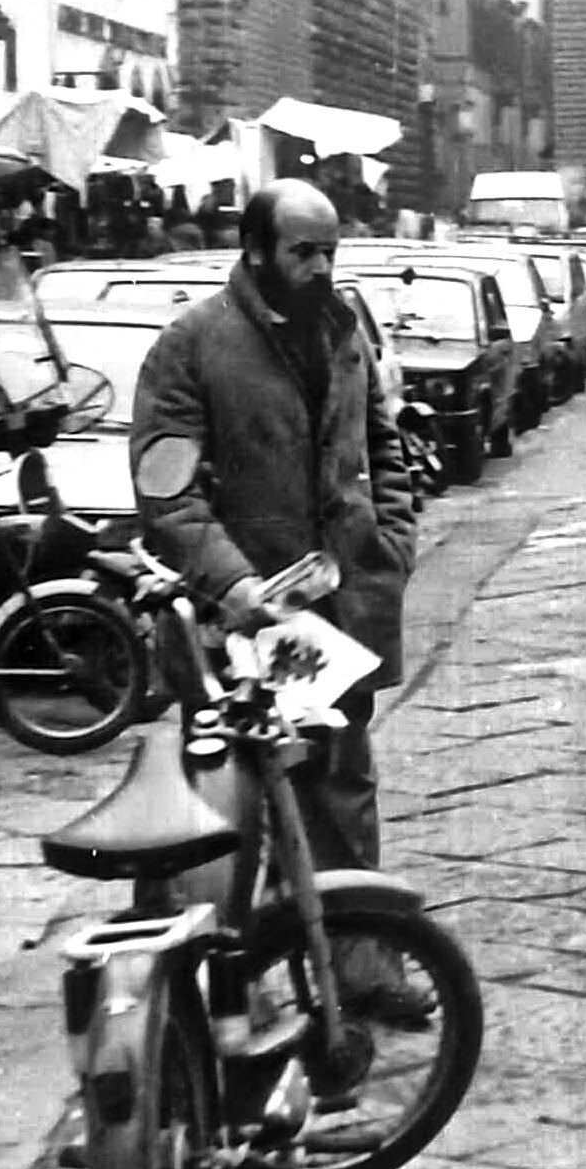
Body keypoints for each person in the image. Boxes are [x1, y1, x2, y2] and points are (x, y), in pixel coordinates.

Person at [130, 181, 421, 977]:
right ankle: (228, 979)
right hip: (245, 626)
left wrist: (392, 540)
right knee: (238, 804)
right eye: (303, 252)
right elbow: (166, 495)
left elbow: (382, 441)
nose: (321, 267)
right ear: (256, 250)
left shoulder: (342, 328)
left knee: (343, 788)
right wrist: (234, 586)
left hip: (338, 612)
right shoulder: (193, 343)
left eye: (330, 251)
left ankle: (359, 971)